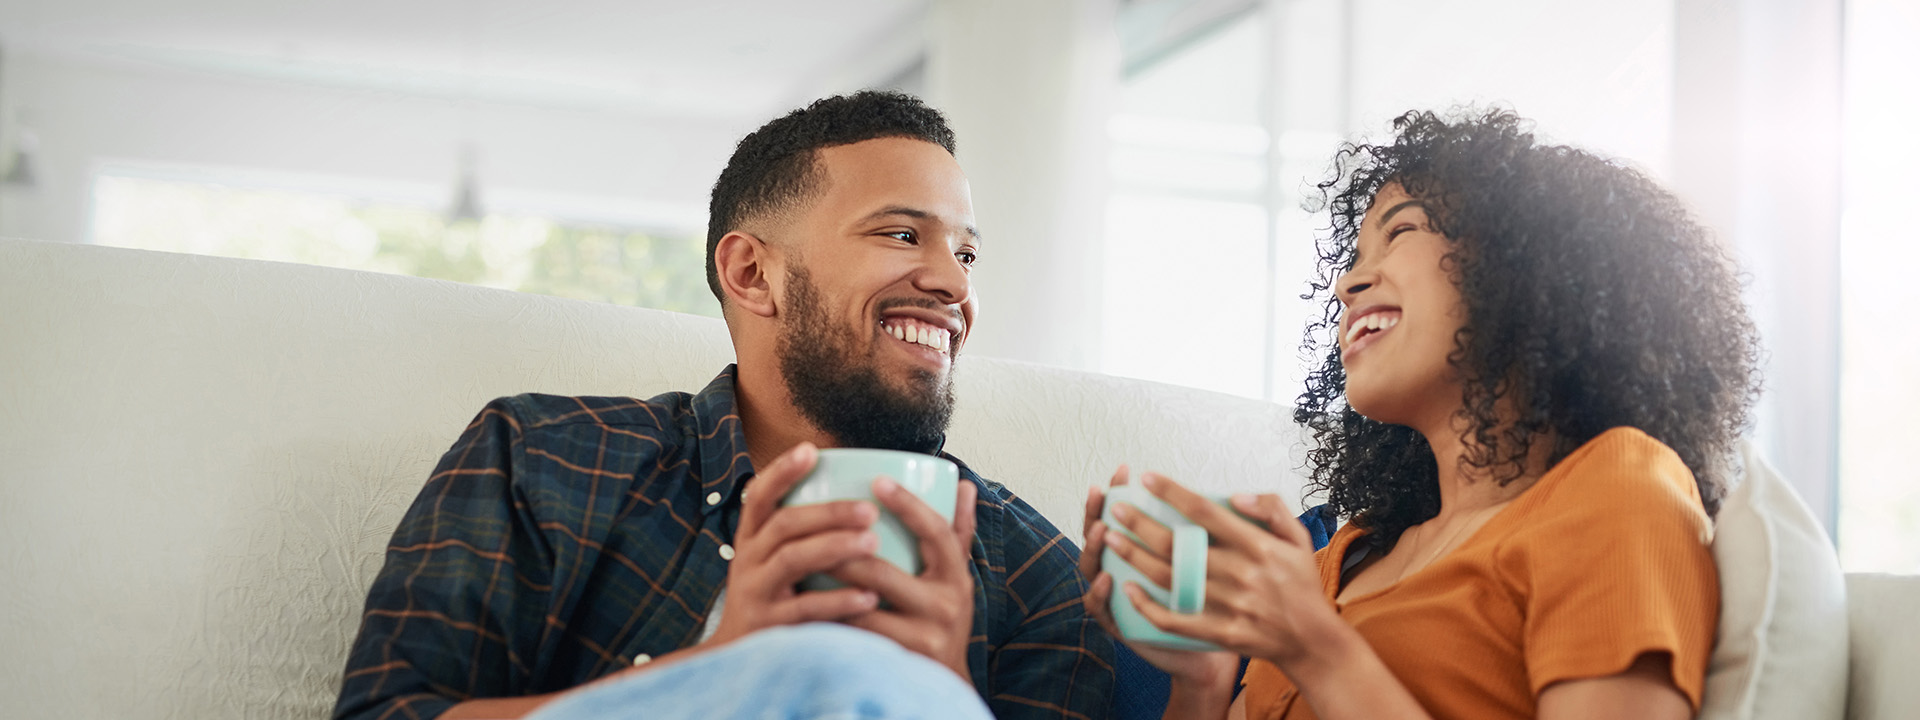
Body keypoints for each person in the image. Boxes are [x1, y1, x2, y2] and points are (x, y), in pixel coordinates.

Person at [333, 91, 1113, 720]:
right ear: (751, 274)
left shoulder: (1033, 573)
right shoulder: (545, 459)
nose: (954, 283)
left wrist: (942, 695)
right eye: (904, 235)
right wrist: (710, 676)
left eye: (966, 253)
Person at [1079, 108, 1761, 720]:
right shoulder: (1346, 554)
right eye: (1353, 259)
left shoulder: (1617, 492)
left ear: (1521, 267)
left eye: (1400, 231)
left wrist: (1318, 650)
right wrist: (1201, 684)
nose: (1347, 284)